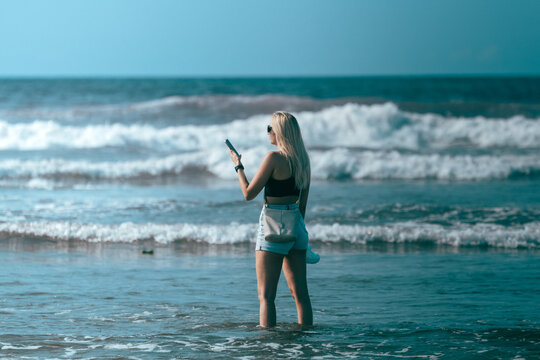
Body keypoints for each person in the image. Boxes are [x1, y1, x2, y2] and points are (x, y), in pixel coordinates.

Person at [228, 111, 314, 327]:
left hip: (272, 229)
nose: (268, 132)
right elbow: (302, 205)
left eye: (270, 128)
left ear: (280, 132)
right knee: (300, 295)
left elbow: (248, 194)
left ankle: (270, 347)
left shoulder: (273, 158)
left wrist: (238, 166)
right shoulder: (303, 160)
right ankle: (307, 341)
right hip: (297, 230)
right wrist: (295, 234)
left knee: (266, 297)